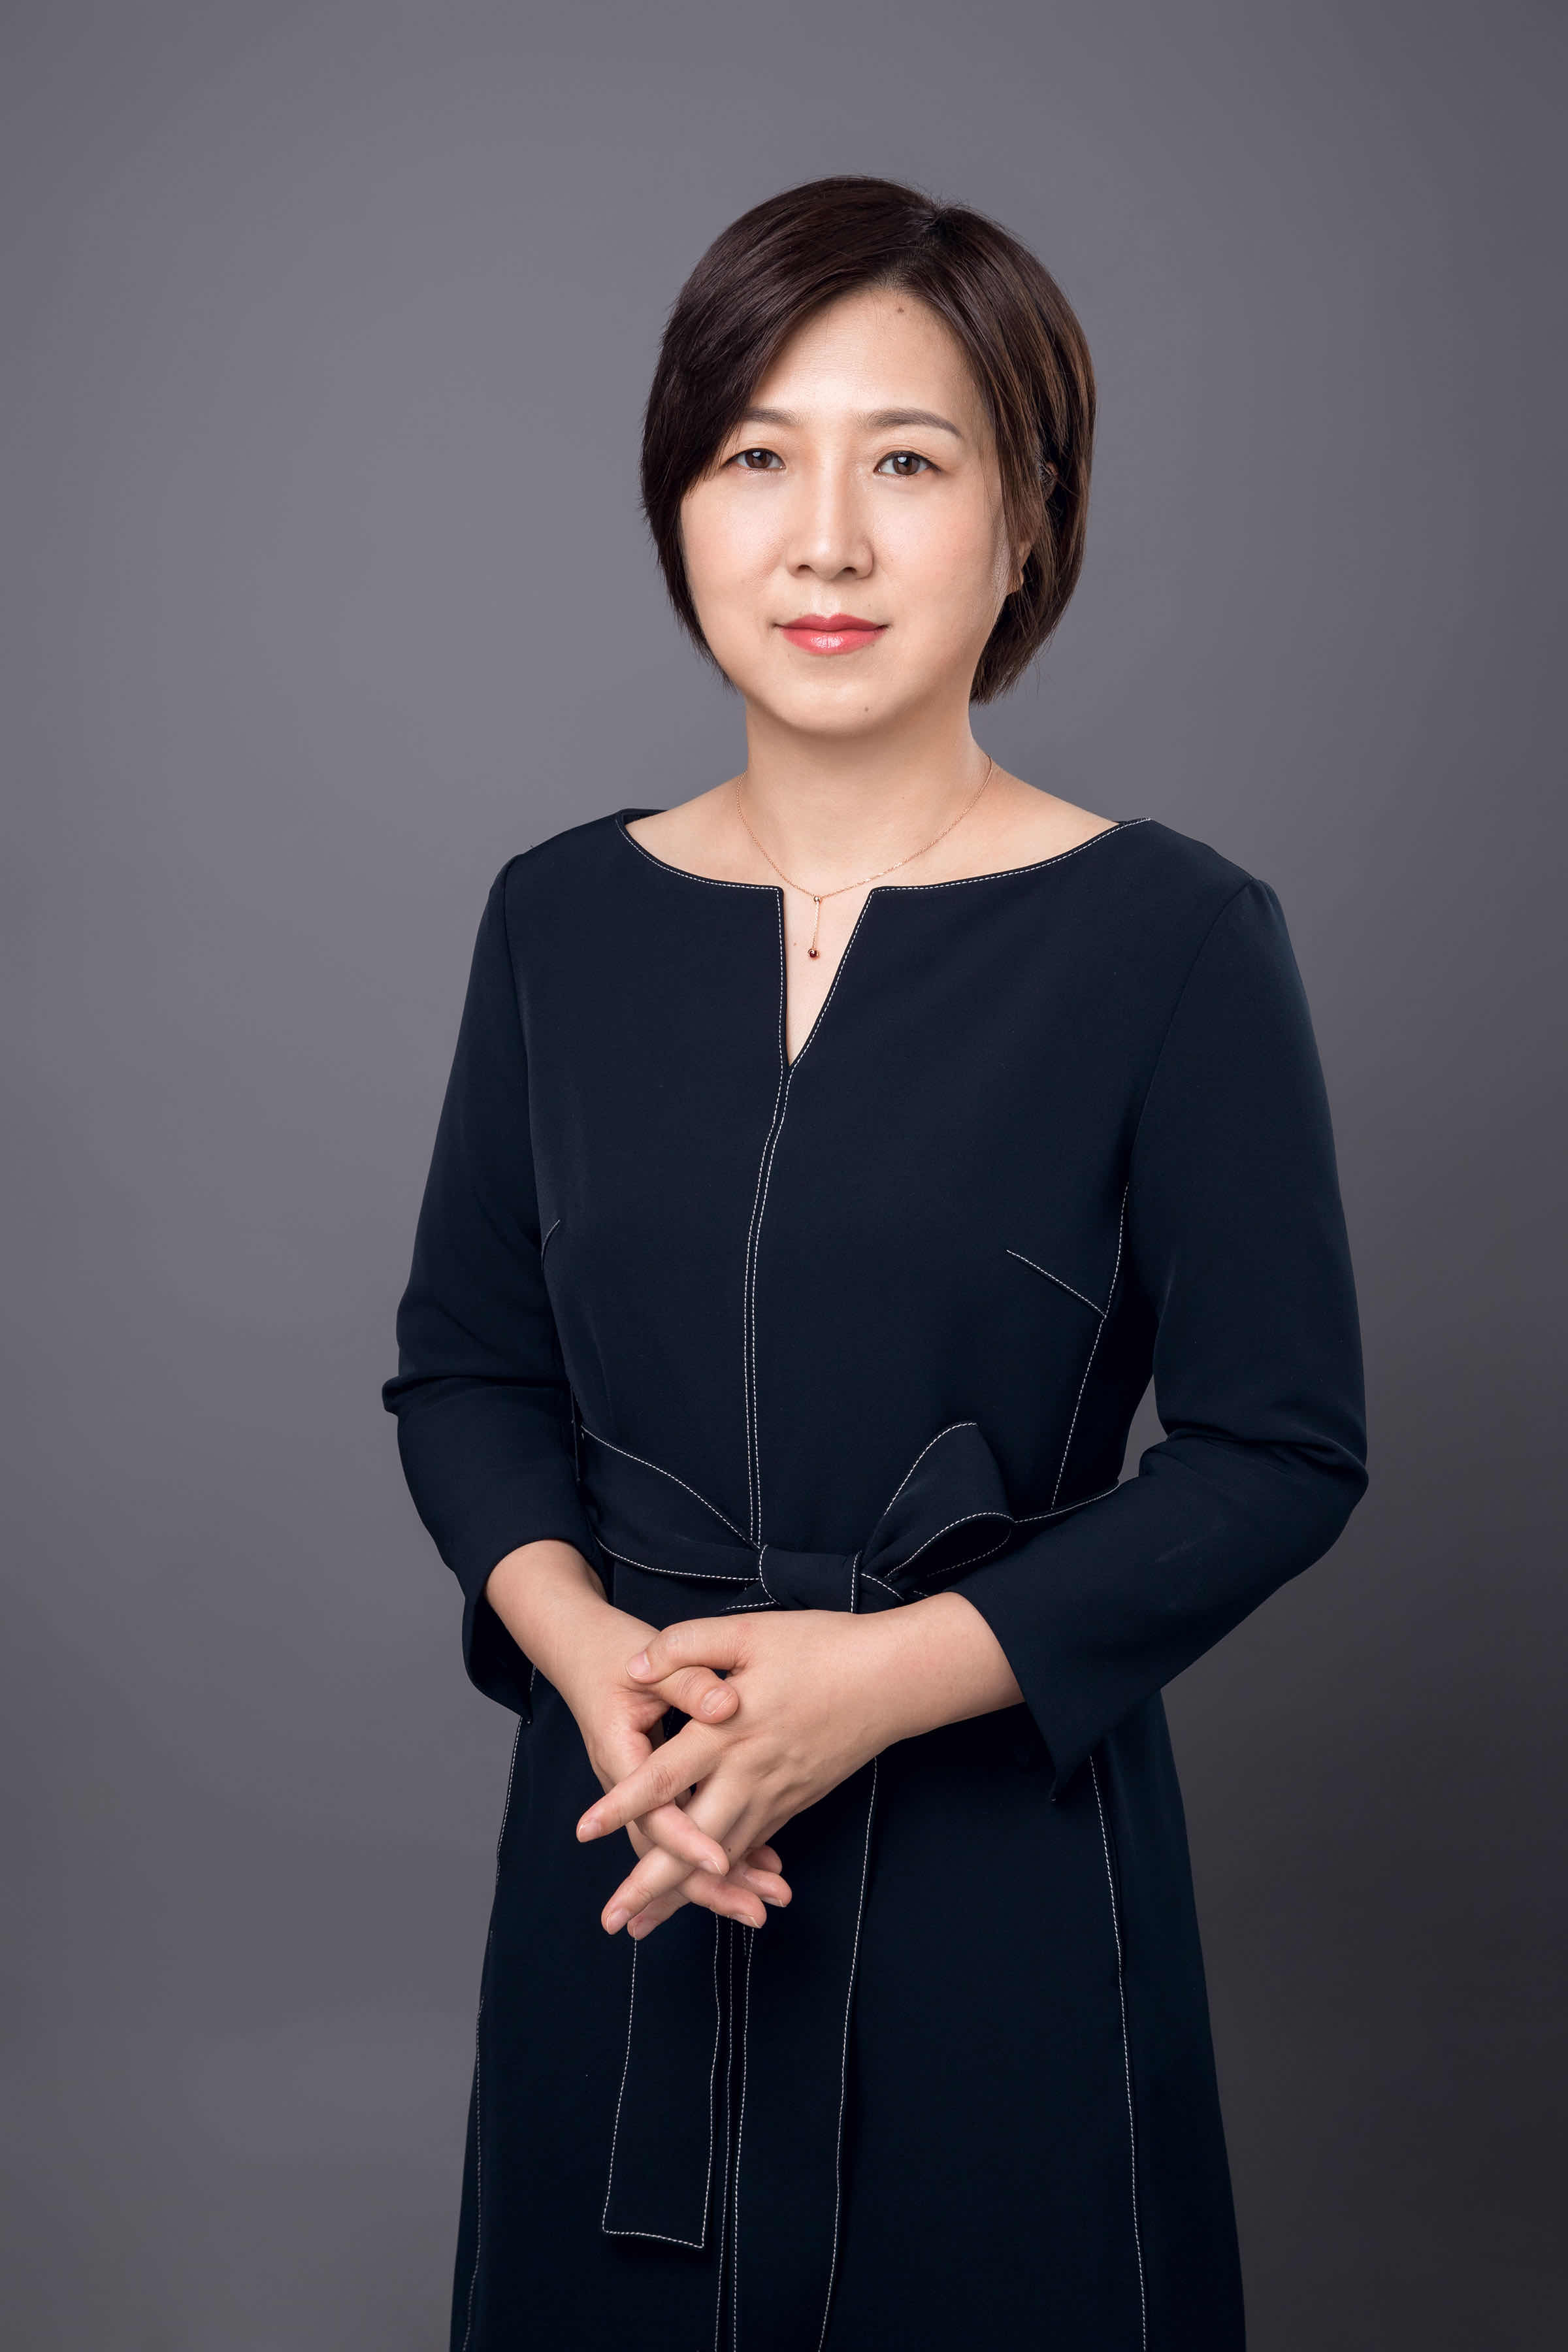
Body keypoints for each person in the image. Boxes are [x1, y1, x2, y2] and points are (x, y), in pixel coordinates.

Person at [382, 173, 1367, 2352]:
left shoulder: (1177, 936)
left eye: (907, 464)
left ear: (1028, 524)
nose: (822, 539)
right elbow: (465, 1368)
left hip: (1004, 1862)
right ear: (680, 506)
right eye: (758, 456)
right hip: (636, 1834)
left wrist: (889, 1680)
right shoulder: (555, 917)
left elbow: (1283, 1449)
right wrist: (581, 1652)